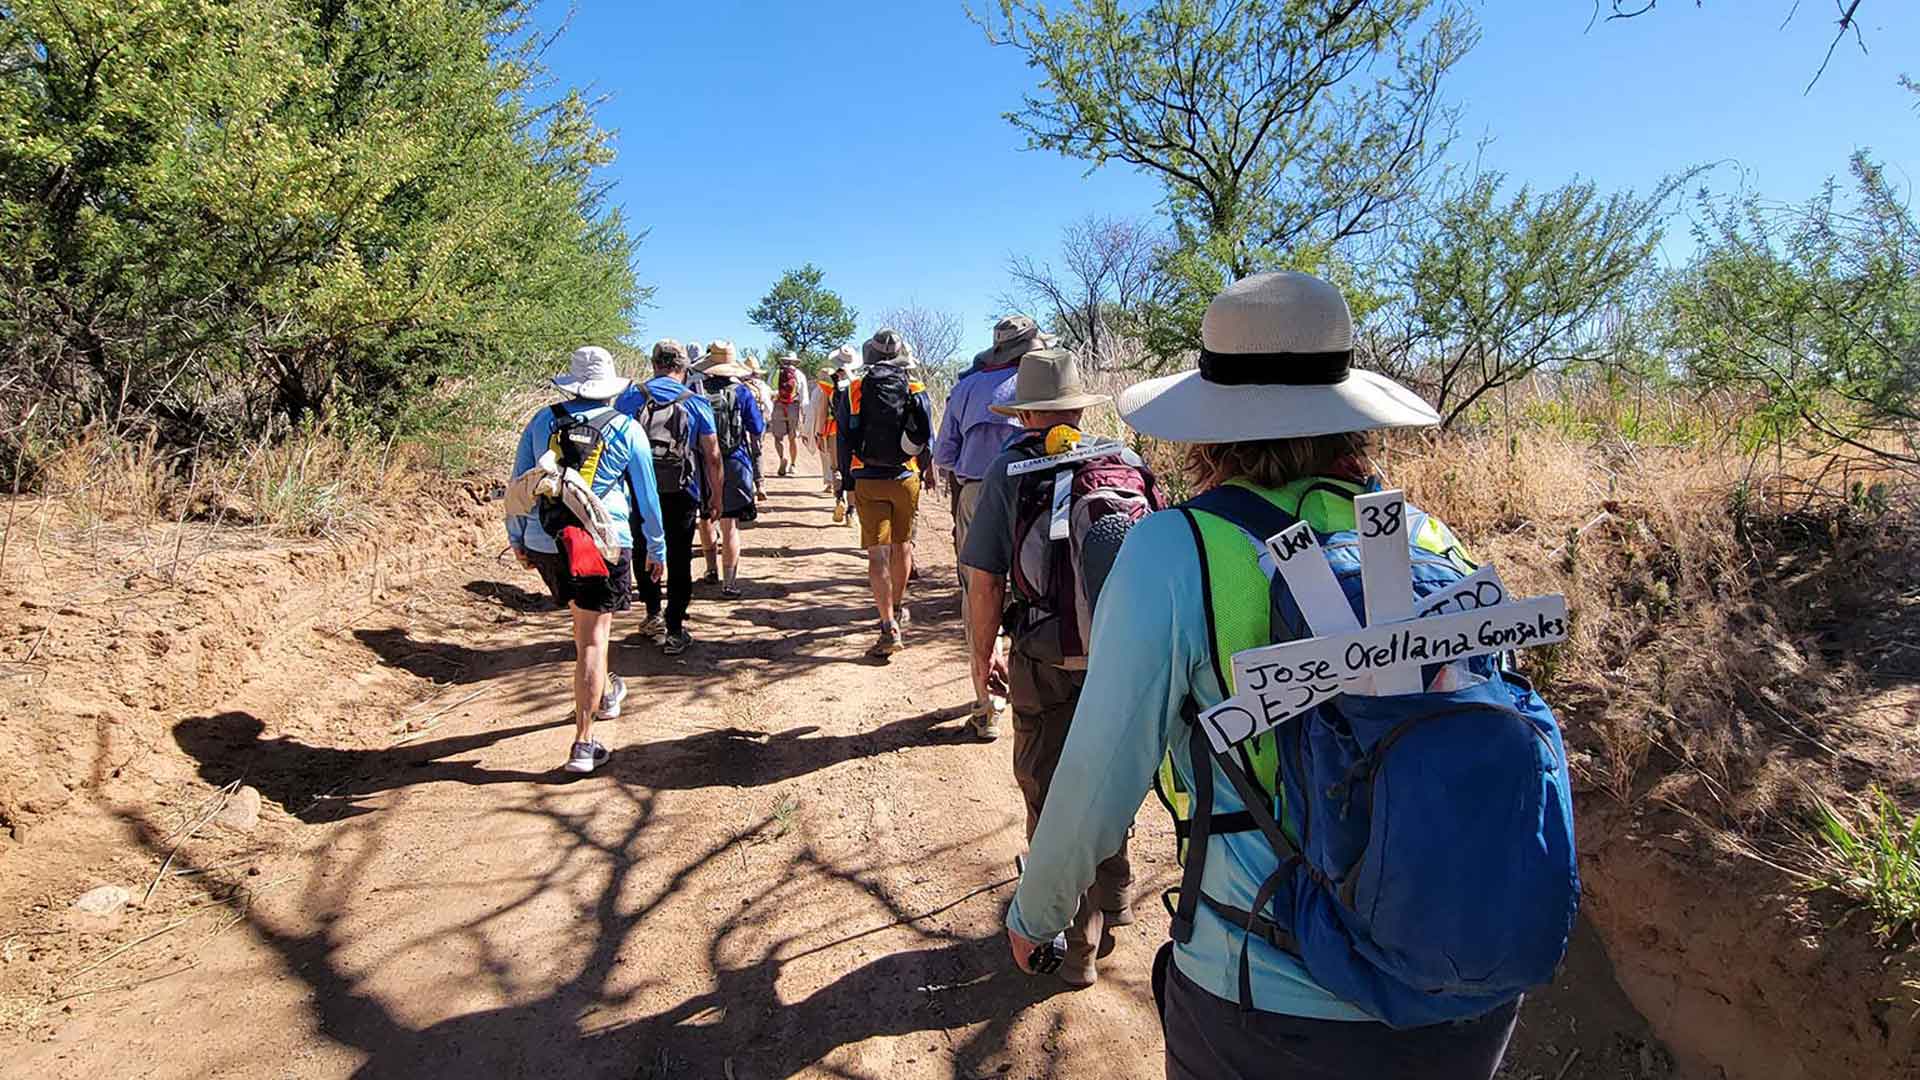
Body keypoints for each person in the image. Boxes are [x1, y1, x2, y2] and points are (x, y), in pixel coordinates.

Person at [1005, 273, 1555, 1079]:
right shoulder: (1425, 537)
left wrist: (1040, 913)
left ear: (1210, 429)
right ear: (1349, 419)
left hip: (1266, 989)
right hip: (1461, 981)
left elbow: (1098, 769)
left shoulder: (1175, 550)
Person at [960, 347, 1145, 979]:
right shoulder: (1123, 460)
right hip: (1118, 654)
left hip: (1041, 655)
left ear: (1026, 413)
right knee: (1107, 774)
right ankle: (1112, 897)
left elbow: (984, 582)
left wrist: (981, 661)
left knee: (1047, 785)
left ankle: (1075, 940)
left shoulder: (1010, 471)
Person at [506, 345, 667, 774]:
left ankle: (607, 691)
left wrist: (518, 537)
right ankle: (583, 742)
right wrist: (657, 548)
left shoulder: (543, 420)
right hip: (600, 541)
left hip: (548, 540)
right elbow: (647, 498)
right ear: (611, 388)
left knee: (583, 630)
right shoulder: (627, 428)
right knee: (593, 641)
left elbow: (521, 482)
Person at [935, 314, 1043, 739]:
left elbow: (944, 454)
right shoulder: (1042, 386)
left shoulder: (965, 388)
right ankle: (1036, 688)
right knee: (1036, 586)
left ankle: (988, 701)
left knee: (979, 589)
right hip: (1040, 490)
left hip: (977, 493)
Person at [618, 339, 725, 655]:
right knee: (679, 557)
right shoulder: (695, 402)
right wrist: (716, 497)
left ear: (654, 364)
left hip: (639, 491)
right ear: (683, 367)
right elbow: (713, 454)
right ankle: (676, 629)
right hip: (682, 490)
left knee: (644, 548)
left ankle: (652, 615)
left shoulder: (630, 398)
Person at [837, 329, 935, 658]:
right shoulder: (915, 387)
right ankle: (898, 605)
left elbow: (843, 437)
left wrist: (846, 480)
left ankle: (887, 624)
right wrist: (928, 469)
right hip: (906, 475)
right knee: (903, 545)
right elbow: (926, 435)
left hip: (866, 475)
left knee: (877, 554)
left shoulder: (854, 388)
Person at [699, 342, 765, 598]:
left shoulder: (697, 392)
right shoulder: (742, 392)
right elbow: (757, 428)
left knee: (706, 517)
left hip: (704, 461)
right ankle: (730, 582)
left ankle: (710, 569)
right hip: (735, 461)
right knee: (730, 525)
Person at [769, 351, 812, 478]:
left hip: (778, 405)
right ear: (795, 362)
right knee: (792, 438)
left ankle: (782, 458)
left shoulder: (775, 372)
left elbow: (769, 391)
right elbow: (804, 396)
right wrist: (804, 413)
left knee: (778, 437)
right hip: (793, 405)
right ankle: (793, 465)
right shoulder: (799, 374)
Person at [742, 356, 775, 503]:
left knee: (743, 452)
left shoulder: (739, 386)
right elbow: (769, 407)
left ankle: (747, 485)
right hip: (758, 420)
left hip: (741, 421)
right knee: (757, 451)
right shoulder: (763, 387)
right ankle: (760, 485)